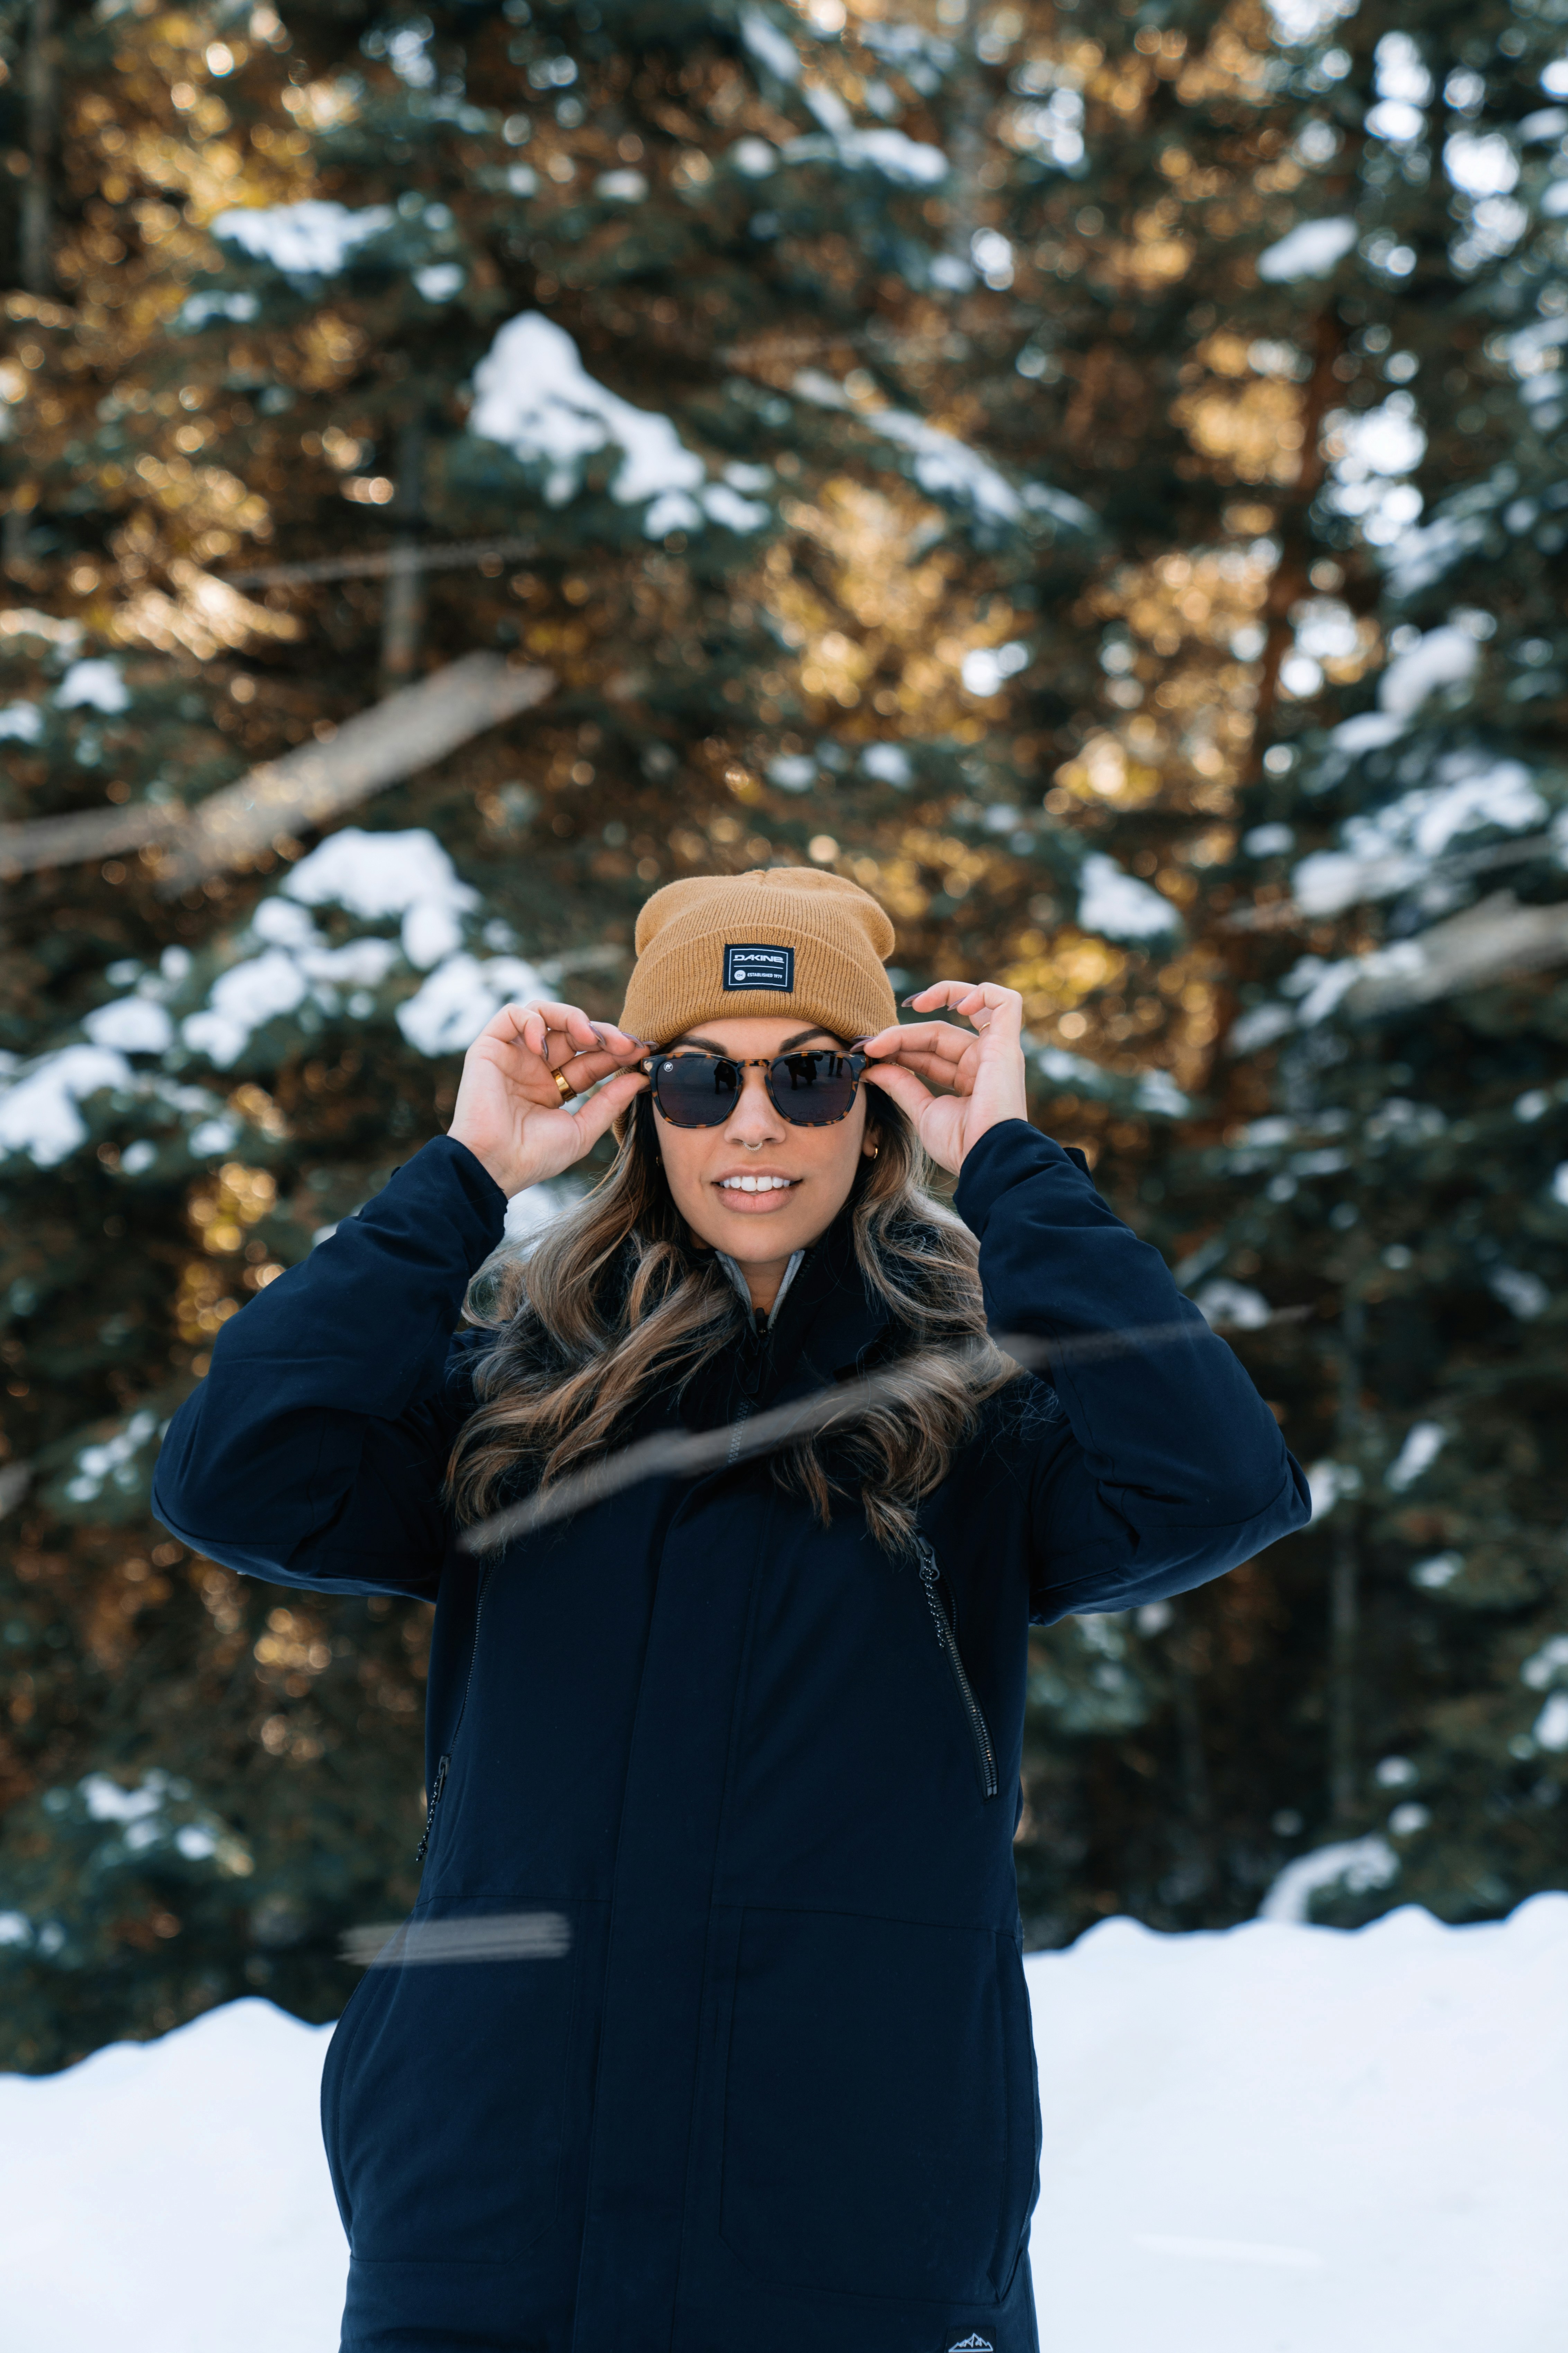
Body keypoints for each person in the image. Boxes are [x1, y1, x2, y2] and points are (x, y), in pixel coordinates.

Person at [153, 865, 1308, 2353]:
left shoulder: (972, 1429)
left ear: (872, 1103)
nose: (751, 1121)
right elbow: (231, 1477)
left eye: (809, 1074)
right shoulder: (510, 1411)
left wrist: (1011, 1160)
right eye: (699, 1078)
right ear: (643, 1104)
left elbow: (1216, 1485)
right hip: (495, 2232)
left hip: (853, 2237)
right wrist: (464, 1171)